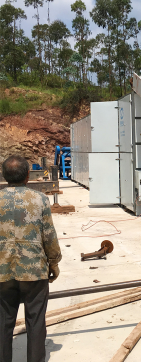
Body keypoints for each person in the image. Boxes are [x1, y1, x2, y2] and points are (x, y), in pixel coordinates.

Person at [0, 155, 62, 362]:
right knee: (36, 322)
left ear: (4, 175)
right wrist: (53, 262)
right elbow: (49, 236)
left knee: (3, 322)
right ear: (28, 175)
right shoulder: (40, 200)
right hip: (34, 271)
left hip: (2, 272)